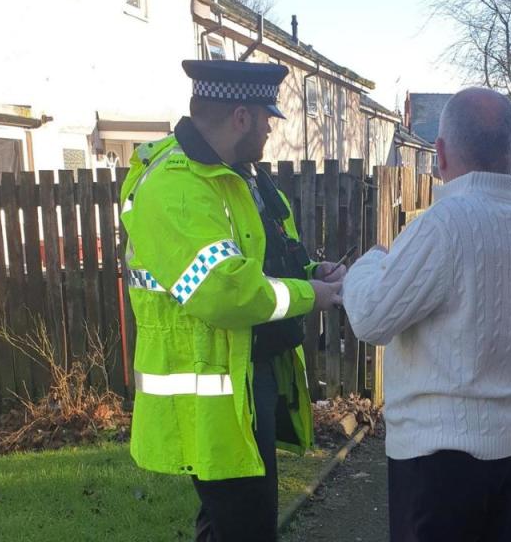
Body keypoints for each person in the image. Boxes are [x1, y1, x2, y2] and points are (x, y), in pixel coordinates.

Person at [119, 60, 345, 542]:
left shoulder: (236, 176)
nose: (270, 129)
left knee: (229, 523)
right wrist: (314, 296)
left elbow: (260, 263)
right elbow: (223, 289)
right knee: (246, 526)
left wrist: (310, 273)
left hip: (238, 377)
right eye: (267, 118)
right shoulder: (177, 187)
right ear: (241, 117)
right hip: (210, 392)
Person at [343, 87, 511, 542]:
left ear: (439, 153)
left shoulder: (442, 225)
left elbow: (370, 317)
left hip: (438, 457)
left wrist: (369, 262)